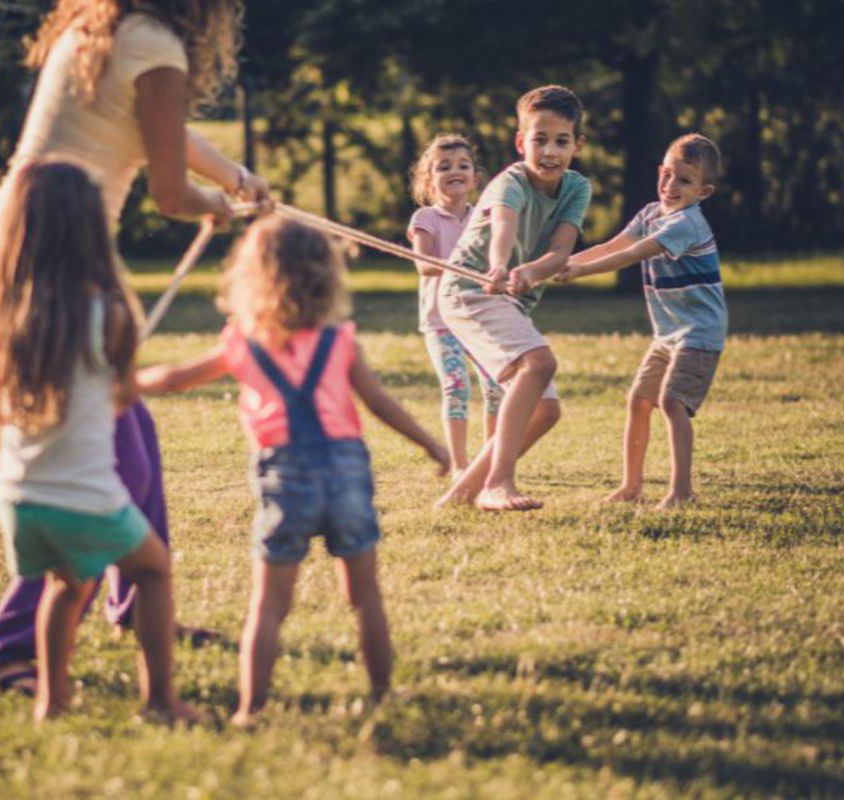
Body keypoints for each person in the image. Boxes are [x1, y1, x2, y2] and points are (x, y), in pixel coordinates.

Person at [0, 0, 271, 693]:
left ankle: (137, 604)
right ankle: (6, 649)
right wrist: (218, 204)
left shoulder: (102, 30)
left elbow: (160, 131)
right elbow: (169, 191)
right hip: (39, 260)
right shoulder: (156, 46)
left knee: (135, 440)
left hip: (6, 243)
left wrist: (233, 178)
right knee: (115, 462)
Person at [136, 216, 450, 725]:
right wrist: (431, 445)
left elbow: (174, 379)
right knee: (365, 596)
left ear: (252, 278)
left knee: (269, 604)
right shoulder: (340, 340)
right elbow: (379, 403)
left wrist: (126, 381)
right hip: (346, 473)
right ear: (326, 276)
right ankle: (382, 694)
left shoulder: (243, 343)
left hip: (285, 477)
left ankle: (250, 710)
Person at [0, 161, 196, 722]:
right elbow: (123, 393)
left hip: (19, 501)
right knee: (153, 570)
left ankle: (52, 701)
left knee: (66, 585)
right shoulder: (108, 316)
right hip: (83, 499)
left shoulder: (3, 325)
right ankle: (161, 702)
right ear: (91, 232)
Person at [435, 85, 591, 511]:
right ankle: (498, 483)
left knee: (546, 411)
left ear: (577, 145)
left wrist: (533, 272)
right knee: (539, 363)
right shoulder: (511, 182)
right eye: (540, 140)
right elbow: (504, 226)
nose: (550, 151)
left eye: (561, 141)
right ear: (521, 142)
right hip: (470, 290)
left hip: (510, 300)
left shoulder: (577, 188)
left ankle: (461, 496)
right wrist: (500, 265)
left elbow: (560, 252)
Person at [558, 133, 725, 510]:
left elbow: (631, 255)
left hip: (699, 334)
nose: (671, 185)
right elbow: (611, 246)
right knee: (638, 400)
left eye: (684, 180)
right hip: (668, 335)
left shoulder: (686, 224)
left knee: (672, 402)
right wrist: (561, 263)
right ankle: (631, 486)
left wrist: (579, 273)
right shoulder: (651, 213)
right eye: (667, 174)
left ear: (703, 191)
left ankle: (682, 491)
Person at [407, 134, 504, 477]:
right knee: (456, 387)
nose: (454, 171)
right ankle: (460, 466)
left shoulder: (484, 218)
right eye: (444, 167)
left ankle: (490, 462)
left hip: (477, 318)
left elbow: (497, 257)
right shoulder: (425, 218)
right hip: (441, 321)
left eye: (463, 165)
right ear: (429, 181)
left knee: (496, 387)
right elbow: (424, 265)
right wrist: (464, 266)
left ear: (475, 179)